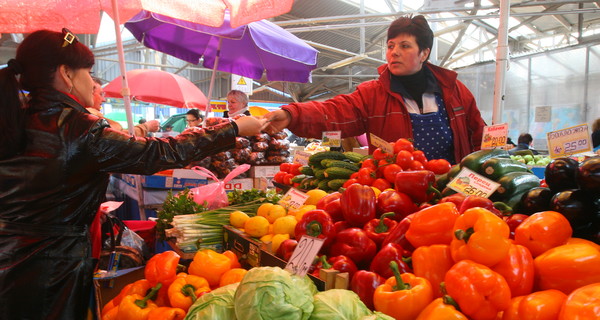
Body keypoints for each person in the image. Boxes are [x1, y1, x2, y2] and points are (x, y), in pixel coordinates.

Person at [0, 29, 266, 319]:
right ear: (65, 73)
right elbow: (156, 153)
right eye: (88, 71)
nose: (92, 81)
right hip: (51, 266)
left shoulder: (16, 117)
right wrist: (233, 128)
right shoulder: (79, 127)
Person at [264, 15, 486, 164]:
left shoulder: (454, 90)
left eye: (404, 46)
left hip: (451, 191)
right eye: (390, 46)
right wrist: (292, 114)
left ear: (424, 53)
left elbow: (478, 134)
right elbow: (334, 111)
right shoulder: (372, 93)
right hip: (395, 193)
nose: (394, 52)